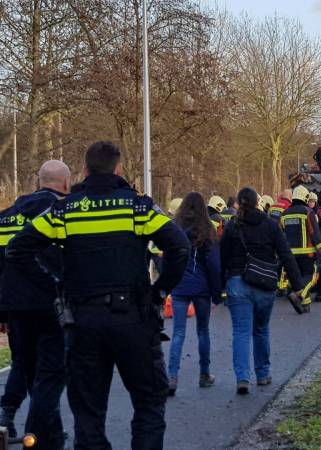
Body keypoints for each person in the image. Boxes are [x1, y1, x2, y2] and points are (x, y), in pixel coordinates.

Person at [7, 141, 191, 449]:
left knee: (88, 412)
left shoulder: (64, 209)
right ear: (118, 169)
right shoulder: (138, 206)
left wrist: (54, 285)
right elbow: (179, 246)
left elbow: (18, 249)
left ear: (84, 170)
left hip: (83, 322)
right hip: (133, 318)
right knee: (148, 402)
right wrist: (159, 292)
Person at [0, 160, 70, 447]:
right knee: (51, 374)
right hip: (51, 305)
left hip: (15, 308)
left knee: (26, 367)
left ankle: (46, 431)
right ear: (65, 185)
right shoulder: (61, 213)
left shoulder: (6, 217)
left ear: (39, 181)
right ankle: (38, 433)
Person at [220, 187, 304, 395]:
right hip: (265, 284)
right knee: (261, 329)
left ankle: (242, 378)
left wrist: (220, 285)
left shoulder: (233, 226)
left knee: (241, 332)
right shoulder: (270, 225)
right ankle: (263, 373)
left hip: (238, 283)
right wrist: (298, 286)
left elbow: (222, 257)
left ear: (238, 203)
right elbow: (286, 255)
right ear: (258, 203)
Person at [167, 192, 223, 396]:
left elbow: (168, 259)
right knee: (203, 331)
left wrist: (167, 284)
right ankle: (204, 374)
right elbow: (213, 265)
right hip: (201, 288)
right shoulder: (207, 230)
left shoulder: (175, 228)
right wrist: (217, 294)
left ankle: (172, 377)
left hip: (180, 287)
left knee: (178, 333)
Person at [281, 185, 321, 312]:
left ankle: (305, 304)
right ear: (305, 197)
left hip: (290, 254)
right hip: (307, 253)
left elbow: (281, 232)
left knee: (298, 277)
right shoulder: (308, 212)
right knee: (310, 276)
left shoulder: (285, 214)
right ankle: (298, 296)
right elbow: (314, 232)